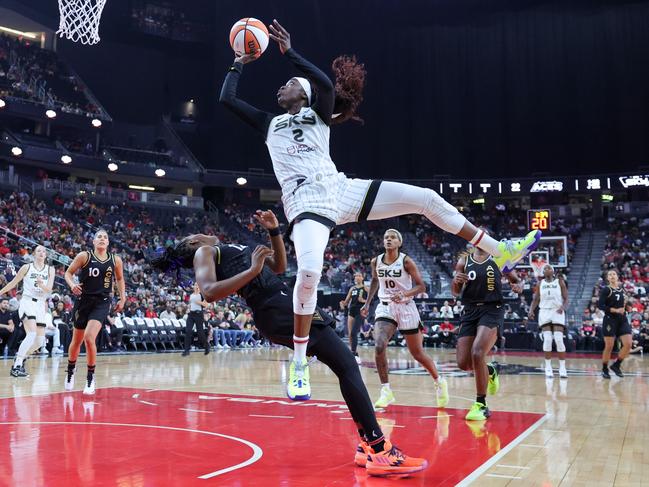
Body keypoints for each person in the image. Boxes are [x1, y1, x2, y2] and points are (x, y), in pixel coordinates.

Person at [220, 19, 542, 400]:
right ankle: (301, 362)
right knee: (307, 271)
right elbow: (227, 99)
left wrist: (290, 53)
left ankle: (498, 248)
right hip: (306, 205)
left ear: (302, 95)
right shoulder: (269, 123)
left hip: (341, 191)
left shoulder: (318, 114)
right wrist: (238, 61)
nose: (282, 85)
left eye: (289, 82)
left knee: (425, 199)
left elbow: (323, 83)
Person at [150, 210, 427, 476]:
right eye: (195, 234)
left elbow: (279, 266)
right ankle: (379, 448)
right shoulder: (205, 251)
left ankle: (369, 443)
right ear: (193, 242)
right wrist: (254, 269)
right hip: (276, 308)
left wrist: (273, 232)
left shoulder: (227, 249)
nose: (200, 232)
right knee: (346, 366)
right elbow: (209, 292)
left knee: (346, 367)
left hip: (284, 303)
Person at [361, 229, 448, 410]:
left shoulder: (406, 261)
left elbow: (422, 286)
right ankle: (386, 391)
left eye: (392, 237)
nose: (388, 240)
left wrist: (405, 294)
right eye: (386, 237)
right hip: (385, 306)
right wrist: (368, 303)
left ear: (399, 242)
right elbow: (375, 280)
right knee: (379, 344)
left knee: (417, 353)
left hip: (406, 307)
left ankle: (439, 381)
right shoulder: (375, 261)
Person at [452, 238, 523, 421]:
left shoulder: (499, 258)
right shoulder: (464, 261)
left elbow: (518, 282)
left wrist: (517, 287)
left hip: (492, 310)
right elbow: (455, 291)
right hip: (470, 310)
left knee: (477, 352)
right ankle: (490, 371)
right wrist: (456, 281)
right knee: (463, 364)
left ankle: (481, 404)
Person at [64, 230, 126, 394]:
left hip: (102, 302)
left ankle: (90, 378)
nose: (102, 239)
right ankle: (70, 371)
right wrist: (72, 285)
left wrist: (122, 298)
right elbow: (68, 273)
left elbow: (119, 279)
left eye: (105, 237)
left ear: (108, 243)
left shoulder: (115, 260)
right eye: (99, 236)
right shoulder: (84, 256)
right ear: (93, 241)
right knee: (76, 341)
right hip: (83, 301)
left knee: (89, 338)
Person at [0, 246, 55, 377]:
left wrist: (42, 285)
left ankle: (21, 357)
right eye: (39, 251)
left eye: (44, 251)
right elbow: (13, 283)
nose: (42, 253)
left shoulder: (50, 270)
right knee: (31, 334)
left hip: (41, 304)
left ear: (46, 255)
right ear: (34, 254)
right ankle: (17, 366)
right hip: (27, 301)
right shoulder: (26, 267)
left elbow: (50, 290)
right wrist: (0, 292)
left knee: (40, 341)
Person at [528, 265, 569, 378]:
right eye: (545, 268)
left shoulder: (559, 282)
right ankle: (548, 367)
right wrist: (531, 310)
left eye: (548, 268)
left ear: (553, 271)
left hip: (557, 311)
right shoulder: (540, 283)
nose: (546, 269)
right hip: (544, 311)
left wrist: (563, 307)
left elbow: (566, 298)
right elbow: (536, 299)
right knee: (547, 339)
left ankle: (562, 367)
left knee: (559, 339)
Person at [599, 270, 631, 378]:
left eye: (614, 274)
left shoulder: (622, 290)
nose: (612, 276)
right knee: (609, 346)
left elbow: (624, 305)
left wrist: (627, 308)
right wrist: (615, 310)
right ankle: (604, 369)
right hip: (610, 319)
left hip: (622, 320)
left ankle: (616, 365)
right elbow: (601, 305)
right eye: (609, 275)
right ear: (607, 278)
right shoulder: (606, 290)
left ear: (617, 277)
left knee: (628, 344)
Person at [339, 272, 368, 364]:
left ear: (362, 278)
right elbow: (346, 302)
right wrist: (342, 304)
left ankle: (355, 355)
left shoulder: (366, 288)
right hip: (351, 311)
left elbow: (371, 301)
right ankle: (354, 353)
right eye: (355, 276)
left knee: (354, 332)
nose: (357, 277)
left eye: (359, 275)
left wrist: (363, 300)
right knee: (351, 334)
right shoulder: (352, 288)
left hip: (360, 311)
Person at [182, 283, 210, 356]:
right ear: (194, 287)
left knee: (200, 334)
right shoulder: (191, 295)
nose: (197, 286)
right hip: (191, 314)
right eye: (195, 285)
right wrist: (189, 308)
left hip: (199, 315)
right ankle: (186, 350)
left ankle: (207, 345)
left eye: (198, 285)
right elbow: (191, 304)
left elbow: (206, 305)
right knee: (188, 331)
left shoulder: (202, 295)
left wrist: (199, 302)